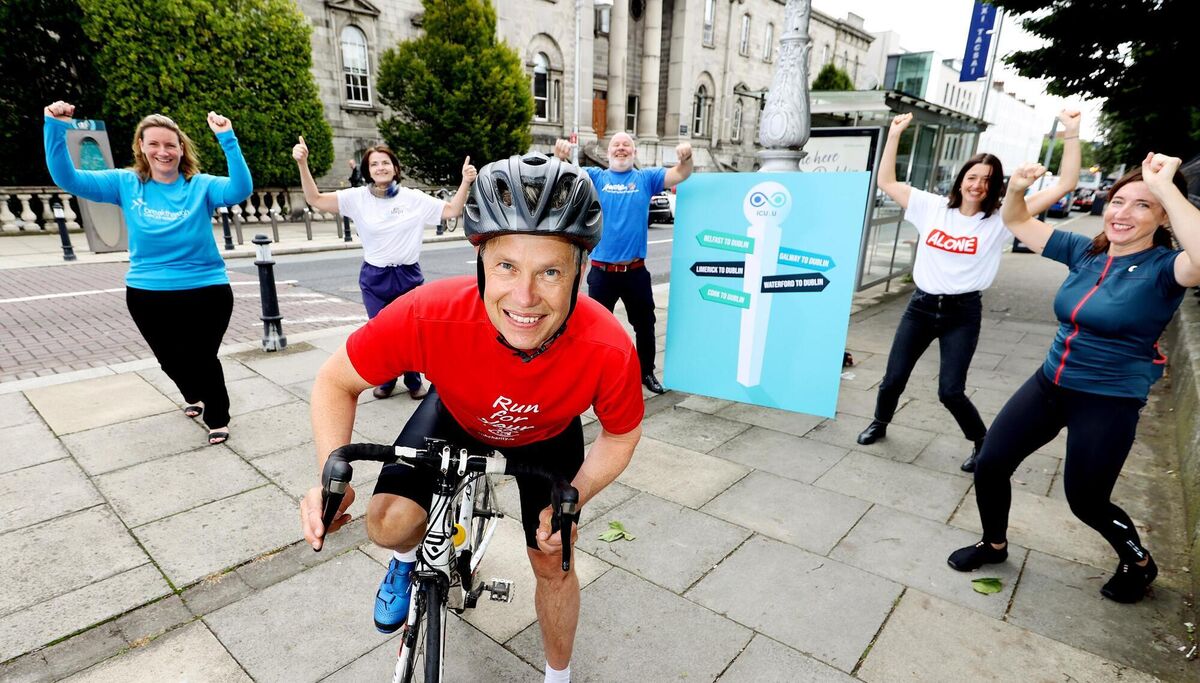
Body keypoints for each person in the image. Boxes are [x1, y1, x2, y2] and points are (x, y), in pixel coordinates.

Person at [299, 152, 644, 683]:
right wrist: (330, 472)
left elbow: (621, 434)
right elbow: (335, 380)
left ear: (580, 271)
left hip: (547, 438)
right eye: (506, 267)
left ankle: (559, 675)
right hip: (455, 415)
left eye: (550, 271)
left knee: (554, 560)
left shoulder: (608, 346)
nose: (524, 298)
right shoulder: (429, 310)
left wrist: (578, 493)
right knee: (387, 525)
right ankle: (408, 558)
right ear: (480, 260)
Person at [948, 153, 1200, 603]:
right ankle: (994, 543)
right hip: (1051, 383)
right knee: (990, 463)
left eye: (1142, 205)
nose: (1123, 213)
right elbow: (1018, 221)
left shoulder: (1168, 268)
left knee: (1086, 500)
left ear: (1163, 215)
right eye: (1118, 201)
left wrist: (1164, 187)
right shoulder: (1086, 251)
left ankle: (1138, 561)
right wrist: (1018, 190)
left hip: (1108, 399)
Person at [856, 111, 1082, 472]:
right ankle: (879, 423)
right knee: (893, 378)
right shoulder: (930, 207)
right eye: (972, 177)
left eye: (987, 180)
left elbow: (1065, 184)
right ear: (961, 180)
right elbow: (886, 181)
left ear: (995, 187)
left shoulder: (1003, 218)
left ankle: (981, 442)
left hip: (962, 313)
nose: (977, 185)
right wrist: (896, 134)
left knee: (950, 390)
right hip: (921, 307)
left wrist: (1071, 133)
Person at [43, 100, 252, 446]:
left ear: (181, 149)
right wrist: (55, 127)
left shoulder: (200, 185)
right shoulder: (126, 183)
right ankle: (192, 393)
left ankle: (217, 415)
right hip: (147, 292)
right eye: (154, 143)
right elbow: (69, 179)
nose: (163, 151)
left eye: (170, 144)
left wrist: (227, 138)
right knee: (170, 360)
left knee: (202, 357)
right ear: (141, 147)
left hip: (206, 289)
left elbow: (240, 189)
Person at [292, 138, 477, 399]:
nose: (380, 167)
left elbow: (452, 210)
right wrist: (302, 163)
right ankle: (387, 379)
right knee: (381, 333)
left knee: (412, 331)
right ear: (368, 170)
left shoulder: (412, 198)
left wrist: (465, 182)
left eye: (385, 162)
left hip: (407, 274)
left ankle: (413, 380)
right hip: (375, 276)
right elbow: (315, 199)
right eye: (374, 164)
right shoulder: (356, 198)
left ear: (395, 168)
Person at [552, 133, 693, 394]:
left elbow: (681, 174)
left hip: (635, 272)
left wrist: (687, 158)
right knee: (595, 328)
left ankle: (646, 372)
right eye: (615, 145)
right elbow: (565, 177)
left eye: (626, 144)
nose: (620, 148)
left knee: (645, 325)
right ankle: (594, 377)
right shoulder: (596, 177)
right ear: (608, 153)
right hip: (602, 273)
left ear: (634, 152)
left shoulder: (646, 179)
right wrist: (560, 158)